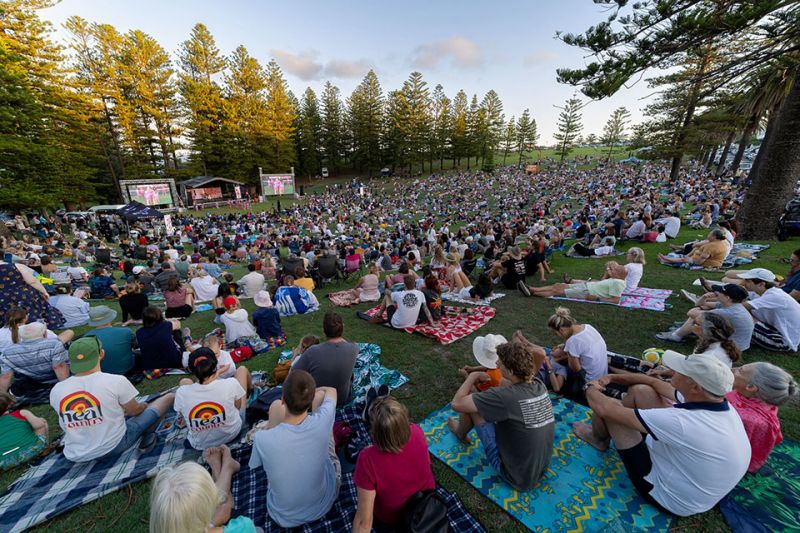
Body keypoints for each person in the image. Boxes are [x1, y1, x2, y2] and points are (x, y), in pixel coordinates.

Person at [448, 341, 554, 491]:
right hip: (538, 469)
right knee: (494, 393)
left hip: (515, 476)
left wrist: (472, 376)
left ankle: (460, 433)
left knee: (473, 406)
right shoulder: (538, 384)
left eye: (501, 362)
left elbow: (457, 403)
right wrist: (516, 350)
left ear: (511, 371)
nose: (496, 364)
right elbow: (540, 353)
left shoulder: (504, 397)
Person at [50, 337, 175, 461]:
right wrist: (143, 405)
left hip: (75, 454)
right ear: (101, 353)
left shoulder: (56, 390)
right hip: (113, 447)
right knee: (169, 397)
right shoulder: (115, 381)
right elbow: (134, 411)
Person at [249, 371, 341, 528]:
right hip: (323, 504)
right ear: (310, 400)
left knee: (275, 406)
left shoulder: (262, 439)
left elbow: (255, 466)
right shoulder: (322, 420)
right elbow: (332, 391)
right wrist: (313, 392)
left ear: (283, 397)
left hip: (282, 515)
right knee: (328, 438)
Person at [352, 396, 436, 532]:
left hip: (394, 518)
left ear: (374, 433)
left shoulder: (367, 459)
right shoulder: (416, 430)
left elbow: (363, 522)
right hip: (427, 501)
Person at [149, 449, 257, 533]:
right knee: (227, 507)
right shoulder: (242, 527)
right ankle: (226, 469)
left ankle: (222, 469)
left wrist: (213, 523)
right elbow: (226, 508)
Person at [175, 348, 252, 450]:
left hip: (200, 444)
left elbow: (184, 416)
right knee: (241, 370)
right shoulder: (230, 383)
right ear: (215, 365)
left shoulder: (181, 392)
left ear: (191, 370)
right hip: (232, 433)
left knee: (184, 381)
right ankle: (251, 391)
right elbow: (237, 407)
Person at [728, 362, 798, 472]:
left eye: (740, 370)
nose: (733, 369)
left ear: (751, 387)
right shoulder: (762, 399)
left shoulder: (746, 419)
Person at [657, 283, 753, 352]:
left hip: (732, 348)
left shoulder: (728, 312)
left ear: (728, 297)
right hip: (738, 343)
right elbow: (698, 304)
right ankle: (680, 331)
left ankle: (676, 336)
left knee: (698, 320)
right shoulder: (732, 305)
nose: (716, 292)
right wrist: (704, 297)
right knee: (703, 314)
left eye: (720, 292)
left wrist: (702, 309)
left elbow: (691, 312)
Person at [293, 312, 358, 407]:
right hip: (342, 399)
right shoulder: (354, 348)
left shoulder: (312, 351)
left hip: (317, 401)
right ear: (342, 328)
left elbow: (294, 374)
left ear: (324, 331)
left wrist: (294, 357)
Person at [0, 322, 70, 396]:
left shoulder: (7, 353)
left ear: (21, 336)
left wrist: (2, 396)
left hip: (36, 381)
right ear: (45, 334)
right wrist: (67, 388)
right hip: (58, 378)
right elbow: (58, 366)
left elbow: (6, 376)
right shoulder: (54, 345)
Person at [739, 268, 800, 352]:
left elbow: (737, 307)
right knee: (739, 312)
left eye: (748, 281)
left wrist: (718, 302)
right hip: (776, 330)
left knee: (737, 318)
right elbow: (737, 294)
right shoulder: (763, 291)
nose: (744, 283)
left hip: (783, 341)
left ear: (761, 284)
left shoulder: (774, 296)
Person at [0, 258, 65, 329]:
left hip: (3, 299)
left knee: (8, 318)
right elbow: (32, 281)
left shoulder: (16, 266)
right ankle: (36, 331)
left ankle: (11, 333)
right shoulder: (17, 266)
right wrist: (44, 292)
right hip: (23, 295)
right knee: (32, 313)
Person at [521, 263, 628, 303]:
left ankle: (532, 291)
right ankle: (532, 289)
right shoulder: (617, 279)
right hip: (586, 286)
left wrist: (597, 299)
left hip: (587, 291)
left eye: (614, 270)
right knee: (557, 286)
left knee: (557, 291)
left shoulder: (617, 283)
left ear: (619, 273)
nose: (611, 270)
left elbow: (616, 300)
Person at [362, 274, 434, 328]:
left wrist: (388, 289)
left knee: (387, 297)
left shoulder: (399, 294)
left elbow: (387, 292)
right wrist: (432, 323)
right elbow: (426, 309)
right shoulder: (420, 294)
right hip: (412, 323)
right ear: (414, 284)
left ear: (404, 284)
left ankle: (378, 316)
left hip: (396, 323)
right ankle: (379, 316)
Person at [0, 391, 49, 471]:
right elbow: (39, 425)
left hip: (5, 462)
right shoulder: (21, 413)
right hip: (32, 450)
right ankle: (44, 449)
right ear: (8, 404)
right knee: (42, 422)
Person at [83, 306, 137, 376]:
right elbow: (134, 345)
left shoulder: (86, 337)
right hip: (126, 370)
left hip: (100, 373)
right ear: (110, 319)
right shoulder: (126, 331)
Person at [136, 306, 192, 371]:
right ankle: (187, 340)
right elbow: (178, 324)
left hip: (150, 366)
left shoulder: (139, 332)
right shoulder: (166, 326)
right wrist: (167, 320)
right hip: (174, 362)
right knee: (176, 331)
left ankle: (186, 341)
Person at [0, 307, 73, 353]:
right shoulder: (33, 329)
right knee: (69, 332)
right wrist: (45, 331)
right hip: (40, 354)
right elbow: (55, 341)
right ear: (25, 318)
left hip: (14, 359)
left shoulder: (1, 333)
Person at [657, 229, 727, 268]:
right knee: (684, 257)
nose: (708, 235)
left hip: (707, 263)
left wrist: (692, 261)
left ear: (714, 237)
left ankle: (665, 260)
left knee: (683, 259)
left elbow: (700, 261)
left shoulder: (712, 246)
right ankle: (666, 259)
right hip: (706, 260)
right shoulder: (719, 243)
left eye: (709, 234)